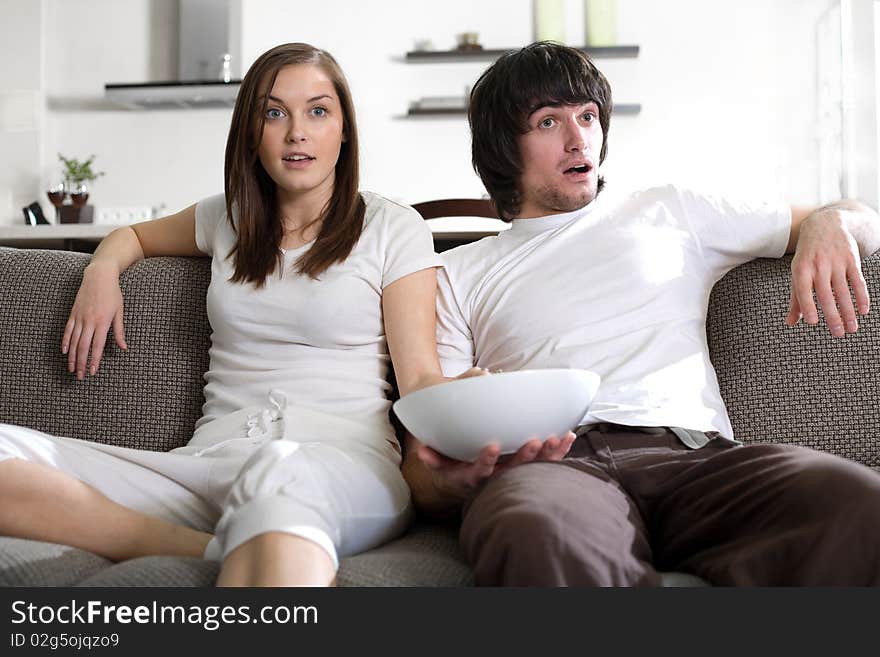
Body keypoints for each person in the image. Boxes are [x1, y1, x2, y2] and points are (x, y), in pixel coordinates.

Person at [402, 41, 880, 586]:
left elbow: (858, 215)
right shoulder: (455, 274)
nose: (579, 137)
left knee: (857, 506)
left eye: (587, 117)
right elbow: (421, 469)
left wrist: (831, 223)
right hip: (553, 468)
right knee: (538, 533)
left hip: (695, 458)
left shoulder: (667, 209)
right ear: (502, 146)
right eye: (547, 122)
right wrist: (455, 479)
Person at [0, 43, 448, 587]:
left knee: (280, 479)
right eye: (274, 112)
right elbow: (132, 235)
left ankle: (245, 541)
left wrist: (465, 412)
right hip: (210, 462)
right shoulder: (227, 217)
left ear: (345, 130)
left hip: (341, 465)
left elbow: (421, 377)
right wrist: (100, 274)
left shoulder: (392, 228)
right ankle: (197, 544)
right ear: (251, 131)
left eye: (318, 110)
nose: (296, 132)